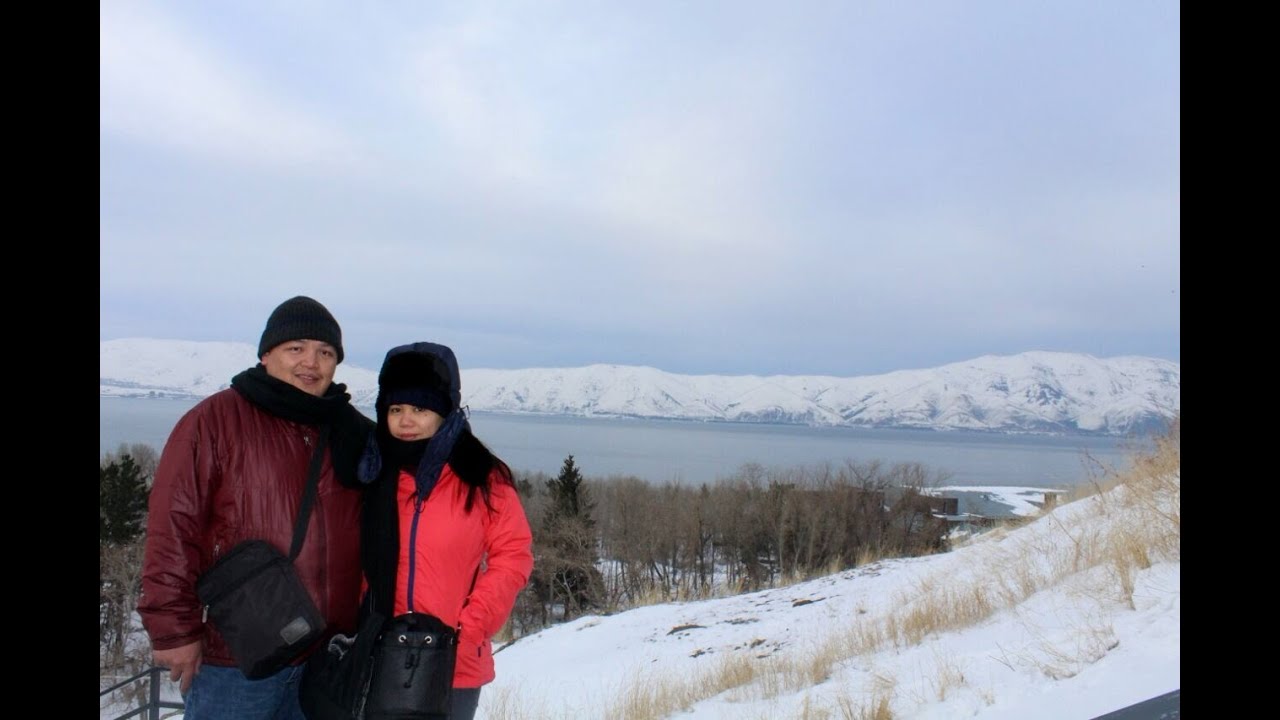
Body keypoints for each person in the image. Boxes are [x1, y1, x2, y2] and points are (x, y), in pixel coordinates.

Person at [138, 296, 374, 720]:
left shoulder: (349, 428)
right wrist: (173, 630)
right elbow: (174, 526)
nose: (311, 362)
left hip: (327, 655)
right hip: (239, 654)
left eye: (326, 352)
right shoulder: (215, 420)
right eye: (296, 348)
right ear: (267, 353)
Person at [357, 342, 534, 720]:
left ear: (444, 413)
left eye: (420, 409)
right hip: (376, 656)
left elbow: (513, 555)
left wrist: (469, 628)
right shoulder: (370, 474)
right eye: (395, 409)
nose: (406, 421)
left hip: (453, 660)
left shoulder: (481, 477)